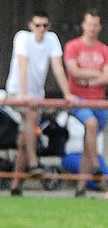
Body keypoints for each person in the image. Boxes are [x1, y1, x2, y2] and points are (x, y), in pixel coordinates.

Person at [5, 10, 76, 196]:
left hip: (36, 95)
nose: (41, 29)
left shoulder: (51, 39)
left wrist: (67, 93)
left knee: (24, 139)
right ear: (31, 25)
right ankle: (33, 162)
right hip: (16, 92)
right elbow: (22, 65)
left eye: (45, 26)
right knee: (32, 114)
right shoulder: (22, 38)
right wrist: (24, 94)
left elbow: (57, 67)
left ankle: (15, 185)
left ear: (49, 26)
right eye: (38, 25)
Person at [63, 9, 108, 197]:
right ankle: (97, 167)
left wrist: (88, 78)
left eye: (95, 24)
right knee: (91, 124)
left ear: (100, 27)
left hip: (99, 100)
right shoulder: (73, 46)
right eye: (89, 24)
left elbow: (106, 77)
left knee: (87, 144)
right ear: (83, 25)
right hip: (78, 98)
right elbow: (74, 71)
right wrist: (95, 75)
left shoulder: (104, 50)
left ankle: (81, 187)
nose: (92, 28)